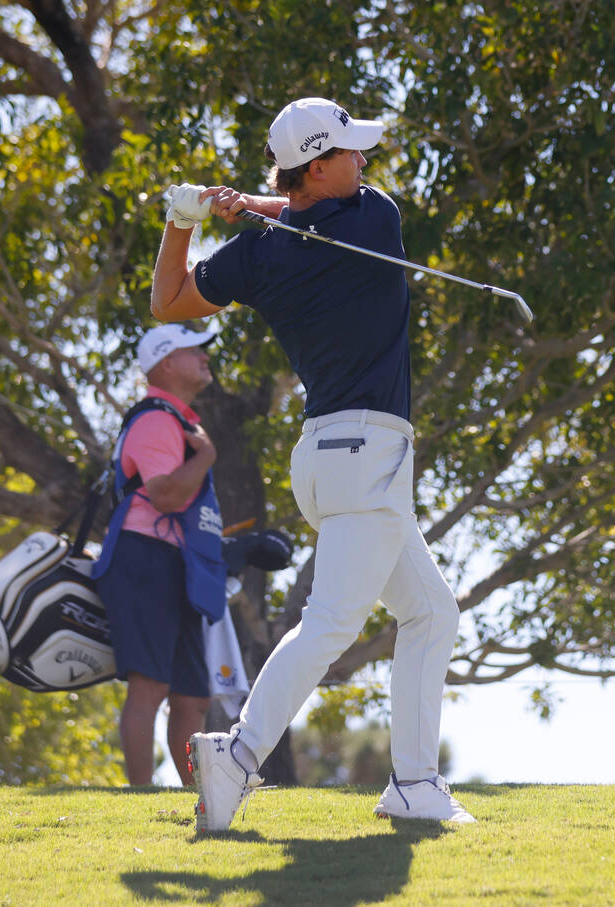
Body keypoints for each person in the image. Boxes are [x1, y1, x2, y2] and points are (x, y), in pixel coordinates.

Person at [151, 96, 473, 829]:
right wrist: (253, 205)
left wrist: (185, 220)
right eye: (352, 151)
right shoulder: (374, 219)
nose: (365, 159)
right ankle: (236, 755)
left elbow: (169, 301)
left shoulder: (260, 252)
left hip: (324, 461)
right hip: (369, 455)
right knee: (330, 622)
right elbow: (303, 209)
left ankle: (414, 783)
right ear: (320, 166)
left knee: (430, 611)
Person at [91, 323, 227, 786]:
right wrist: (206, 457)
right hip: (144, 557)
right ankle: (140, 797)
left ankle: (202, 799)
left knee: (192, 696)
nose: (206, 357)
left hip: (177, 564)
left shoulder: (180, 419)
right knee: (149, 686)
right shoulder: (155, 418)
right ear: (167, 362)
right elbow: (166, 494)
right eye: (196, 351)